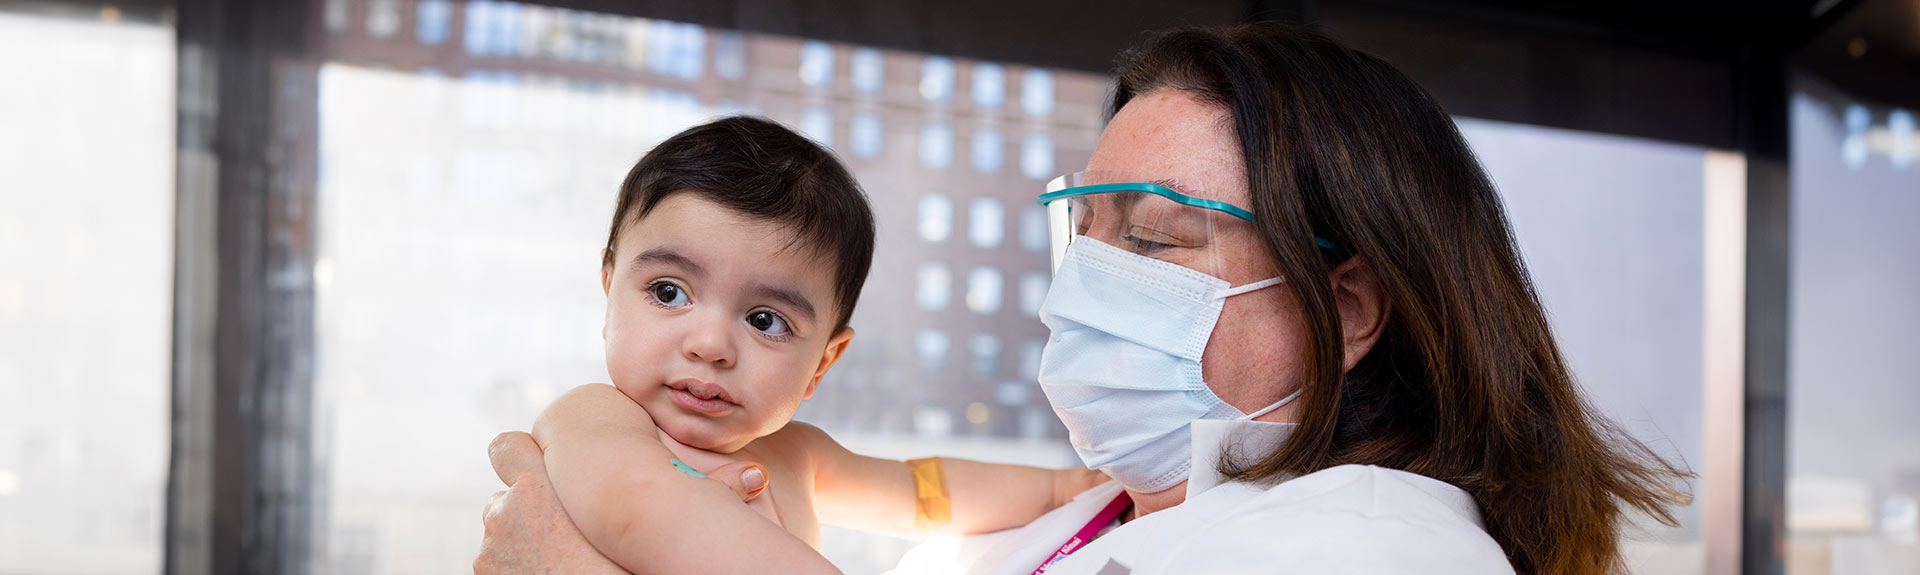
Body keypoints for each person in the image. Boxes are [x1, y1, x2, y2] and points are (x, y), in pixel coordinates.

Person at [479, 23, 1691, 575]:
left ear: (1350, 307)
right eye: (1089, 230)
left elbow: (899, 487)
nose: (1089, 285)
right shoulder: (1113, 508)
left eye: (1155, 240)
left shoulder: (1370, 551)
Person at [517, 116, 1106, 575]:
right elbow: (642, 512)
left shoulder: (795, 456)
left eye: (766, 321)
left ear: (822, 363)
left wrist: (1063, 490)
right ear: (609, 292)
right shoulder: (596, 419)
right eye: (669, 292)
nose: (710, 345)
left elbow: (924, 493)